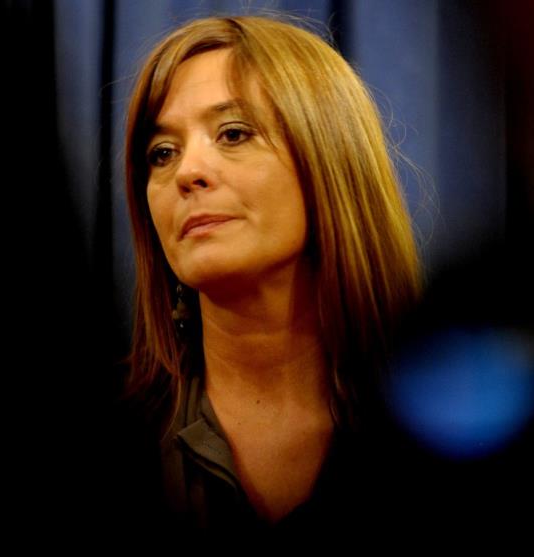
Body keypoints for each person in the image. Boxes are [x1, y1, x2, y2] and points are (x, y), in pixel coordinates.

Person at [122, 14, 421, 537]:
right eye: (162, 153)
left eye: (233, 133)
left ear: (330, 162)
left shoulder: (452, 422)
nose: (187, 172)